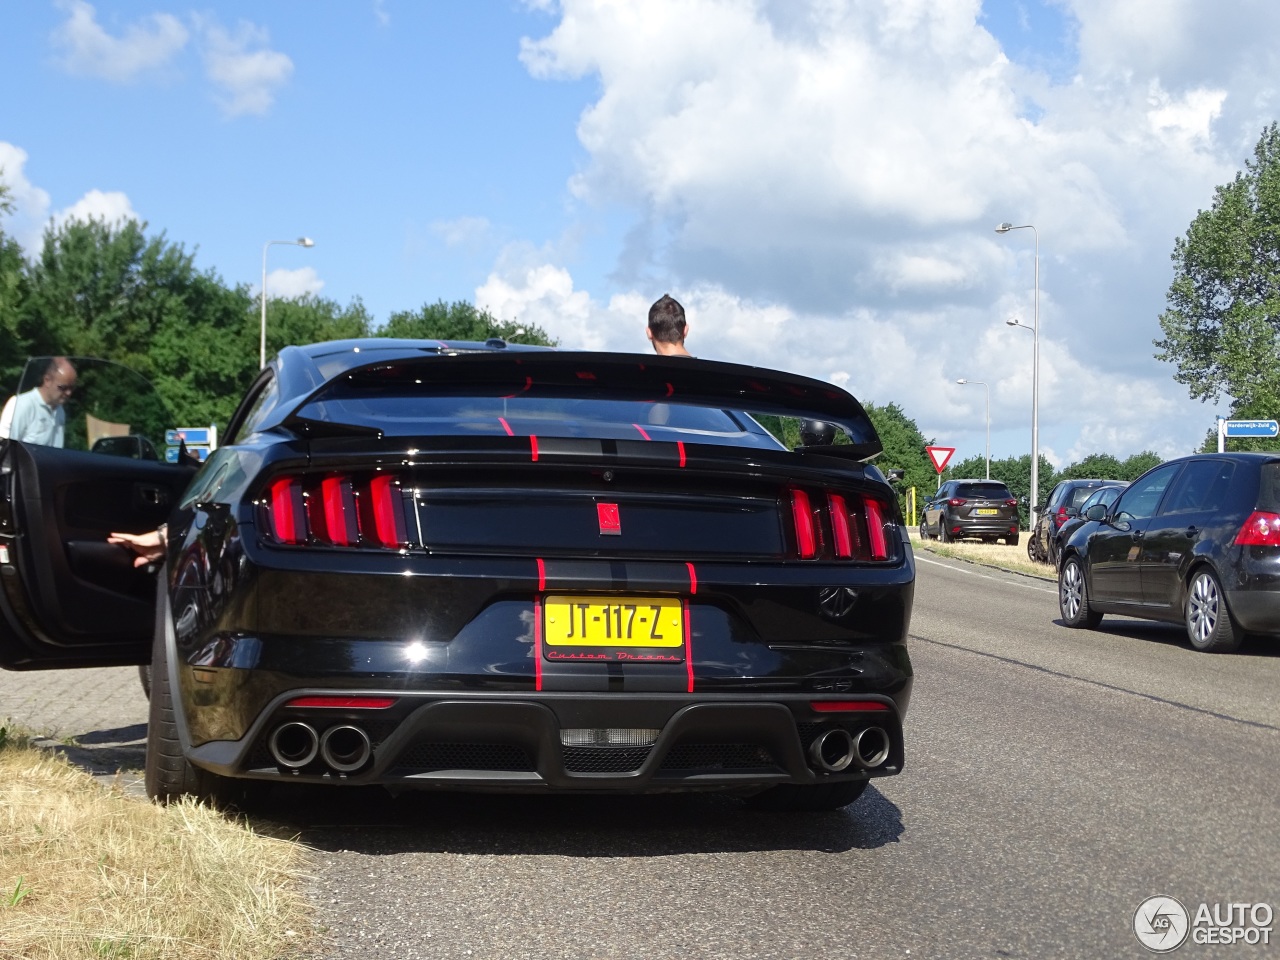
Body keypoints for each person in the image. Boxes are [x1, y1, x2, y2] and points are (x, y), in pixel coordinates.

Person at [5, 357, 78, 447]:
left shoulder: (60, 411)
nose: (68, 393)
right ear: (47, 380)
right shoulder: (21, 404)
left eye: (72, 388)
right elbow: (6, 448)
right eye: (63, 388)